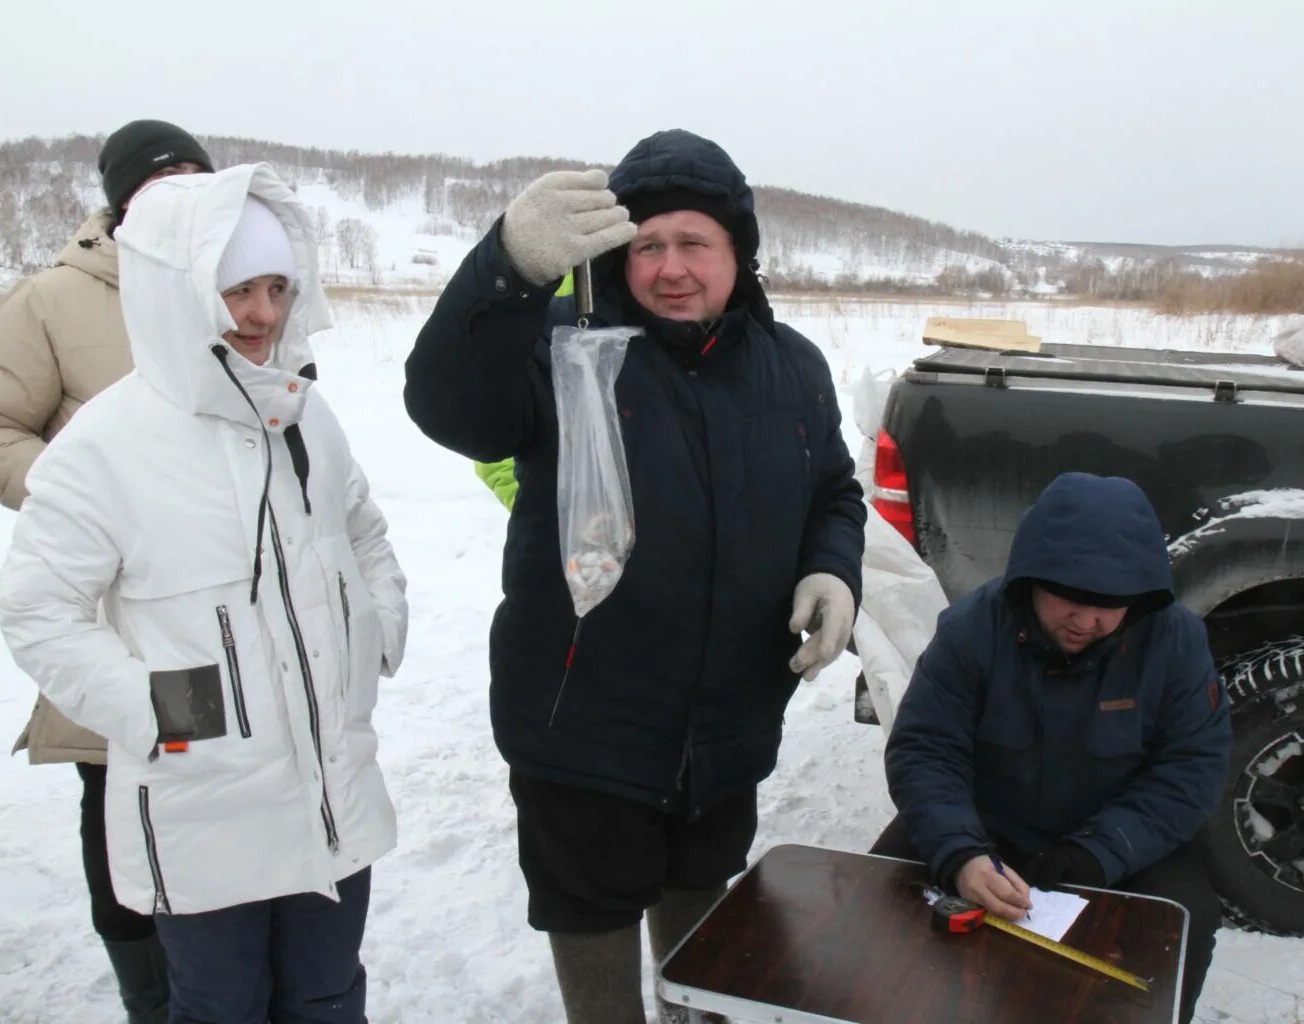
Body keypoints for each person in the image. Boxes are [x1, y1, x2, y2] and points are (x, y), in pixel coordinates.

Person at [403, 129, 865, 1023]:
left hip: (728, 732)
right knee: (599, 953)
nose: (670, 267)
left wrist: (832, 570)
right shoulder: (566, 351)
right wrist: (506, 269)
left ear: (739, 253)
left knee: (704, 960)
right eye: (646, 245)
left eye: (695, 242)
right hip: (584, 735)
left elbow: (833, 492)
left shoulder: (793, 368)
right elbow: (447, 405)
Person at [0, 164, 406, 1024]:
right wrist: (167, 708)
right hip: (203, 809)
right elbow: (39, 611)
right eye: (235, 292)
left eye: (275, 289)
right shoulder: (104, 445)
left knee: (329, 999)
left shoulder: (304, 414)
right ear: (180, 295)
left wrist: (375, 632)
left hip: (332, 790)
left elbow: (363, 533)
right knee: (222, 1008)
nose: (261, 316)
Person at [0, 118, 212, 1022]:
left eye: (195, 175)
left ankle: (226, 986)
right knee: (127, 791)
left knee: (217, 783)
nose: (180, 192)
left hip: (228, 620)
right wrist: (76, 503)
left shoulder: (245, 286)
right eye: (159, 179)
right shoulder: (55, 299)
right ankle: (153, 999)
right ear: (121, 198)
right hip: (121, 625)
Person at [877, 472, 1231, 1024]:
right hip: (986, 829)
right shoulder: (972, 631)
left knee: (1183, 922)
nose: (1087, 622)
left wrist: (1099, 852)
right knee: (876, 898)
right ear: (1032, 581)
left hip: (1117, 841)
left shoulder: (1176, 643)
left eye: (1109, 607)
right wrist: (961, 853)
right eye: (1070, 600)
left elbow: (1190, 771)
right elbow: (926, 749)